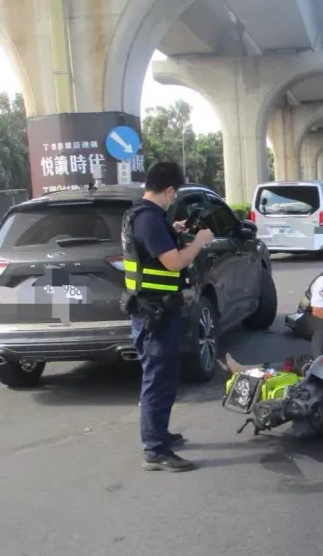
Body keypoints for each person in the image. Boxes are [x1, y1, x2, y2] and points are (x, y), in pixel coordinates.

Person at [122, 161, 214, 473]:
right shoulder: (148, 219)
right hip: (154, 314)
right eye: (176, 193)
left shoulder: (143, 215)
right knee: (157, 382)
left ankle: (160, 435)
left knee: (163, 378)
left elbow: (153, 253)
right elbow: (174, 263)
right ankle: (155, 450)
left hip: (155, 310)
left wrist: (172, 231)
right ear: (171, 190)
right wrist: (199, 243)